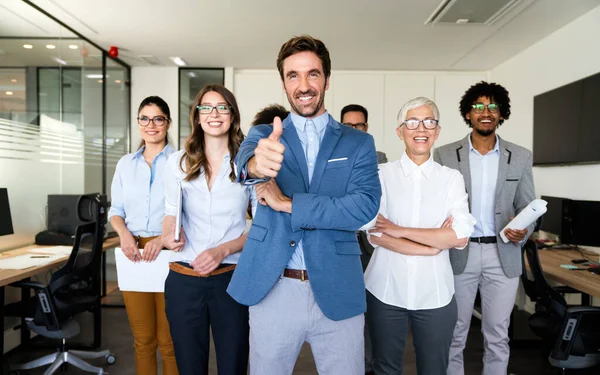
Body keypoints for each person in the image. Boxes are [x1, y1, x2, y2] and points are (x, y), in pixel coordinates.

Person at [227, 35, 381, 375]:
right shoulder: (264, 133)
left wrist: (287, 204)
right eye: (293, 75)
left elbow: (363, 207)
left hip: (338, 286)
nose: (304, 85)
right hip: (273, 287)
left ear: (327, 78)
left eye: (313, 74)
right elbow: (243, 166)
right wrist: (256, 165)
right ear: (283, 83)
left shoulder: (358, 143)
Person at [365, 97, 475, 375]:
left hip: (435, 294)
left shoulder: (451, 178)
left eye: (429, 122)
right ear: (400, 131)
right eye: (412, 122)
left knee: (434, 370)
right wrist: (432, 243)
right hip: (385, 291)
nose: (421, 128)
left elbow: (460, 236)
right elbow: (375, 233)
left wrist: (398, 230)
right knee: (384, 369)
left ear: (437, 131)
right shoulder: (380, 174)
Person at [434, 81, 536, 375]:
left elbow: (527, 207)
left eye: (493, 106)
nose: (486, 112)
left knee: (497, 335)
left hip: (502, 253)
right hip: (458, 253)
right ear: (468, 114)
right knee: (454, 333)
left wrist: (524, 230)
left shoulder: (520, 156)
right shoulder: (444, 155)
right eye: (478, 106)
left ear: (502, 114)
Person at [161, 84, 253, 375]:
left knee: (233, 365)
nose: (214, 113)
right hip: (184, 279)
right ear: (197, 116)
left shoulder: (248, 162)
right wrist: (168, 235)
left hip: (231, 280)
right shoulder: (177, 161)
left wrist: (223, 249)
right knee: (189, 367)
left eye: (222, 107)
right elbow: (170, 212)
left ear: (232, 115)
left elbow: (263, 227)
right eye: (206, 107)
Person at [107, 96, 178, 375]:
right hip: (133, 253)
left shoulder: (181, 161)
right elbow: (116, 210)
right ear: (138, 123)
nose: (151, 125)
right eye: (145, 119)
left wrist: (162, 239)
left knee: (169, 341)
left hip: (170, 251)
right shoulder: (125, 164)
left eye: (158, 118)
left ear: (167, 123)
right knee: (143, 340)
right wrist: (123, 233)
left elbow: (189, 212)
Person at [340, 103, 387, 375]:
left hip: (371, 242)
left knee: (372, 308)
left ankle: (370, 366)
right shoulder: (331, 157)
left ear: (366, 128)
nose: (354, 130)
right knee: (347, 307)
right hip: (343, 241)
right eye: (348, 126)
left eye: (359, 126)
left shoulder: (379, 158)